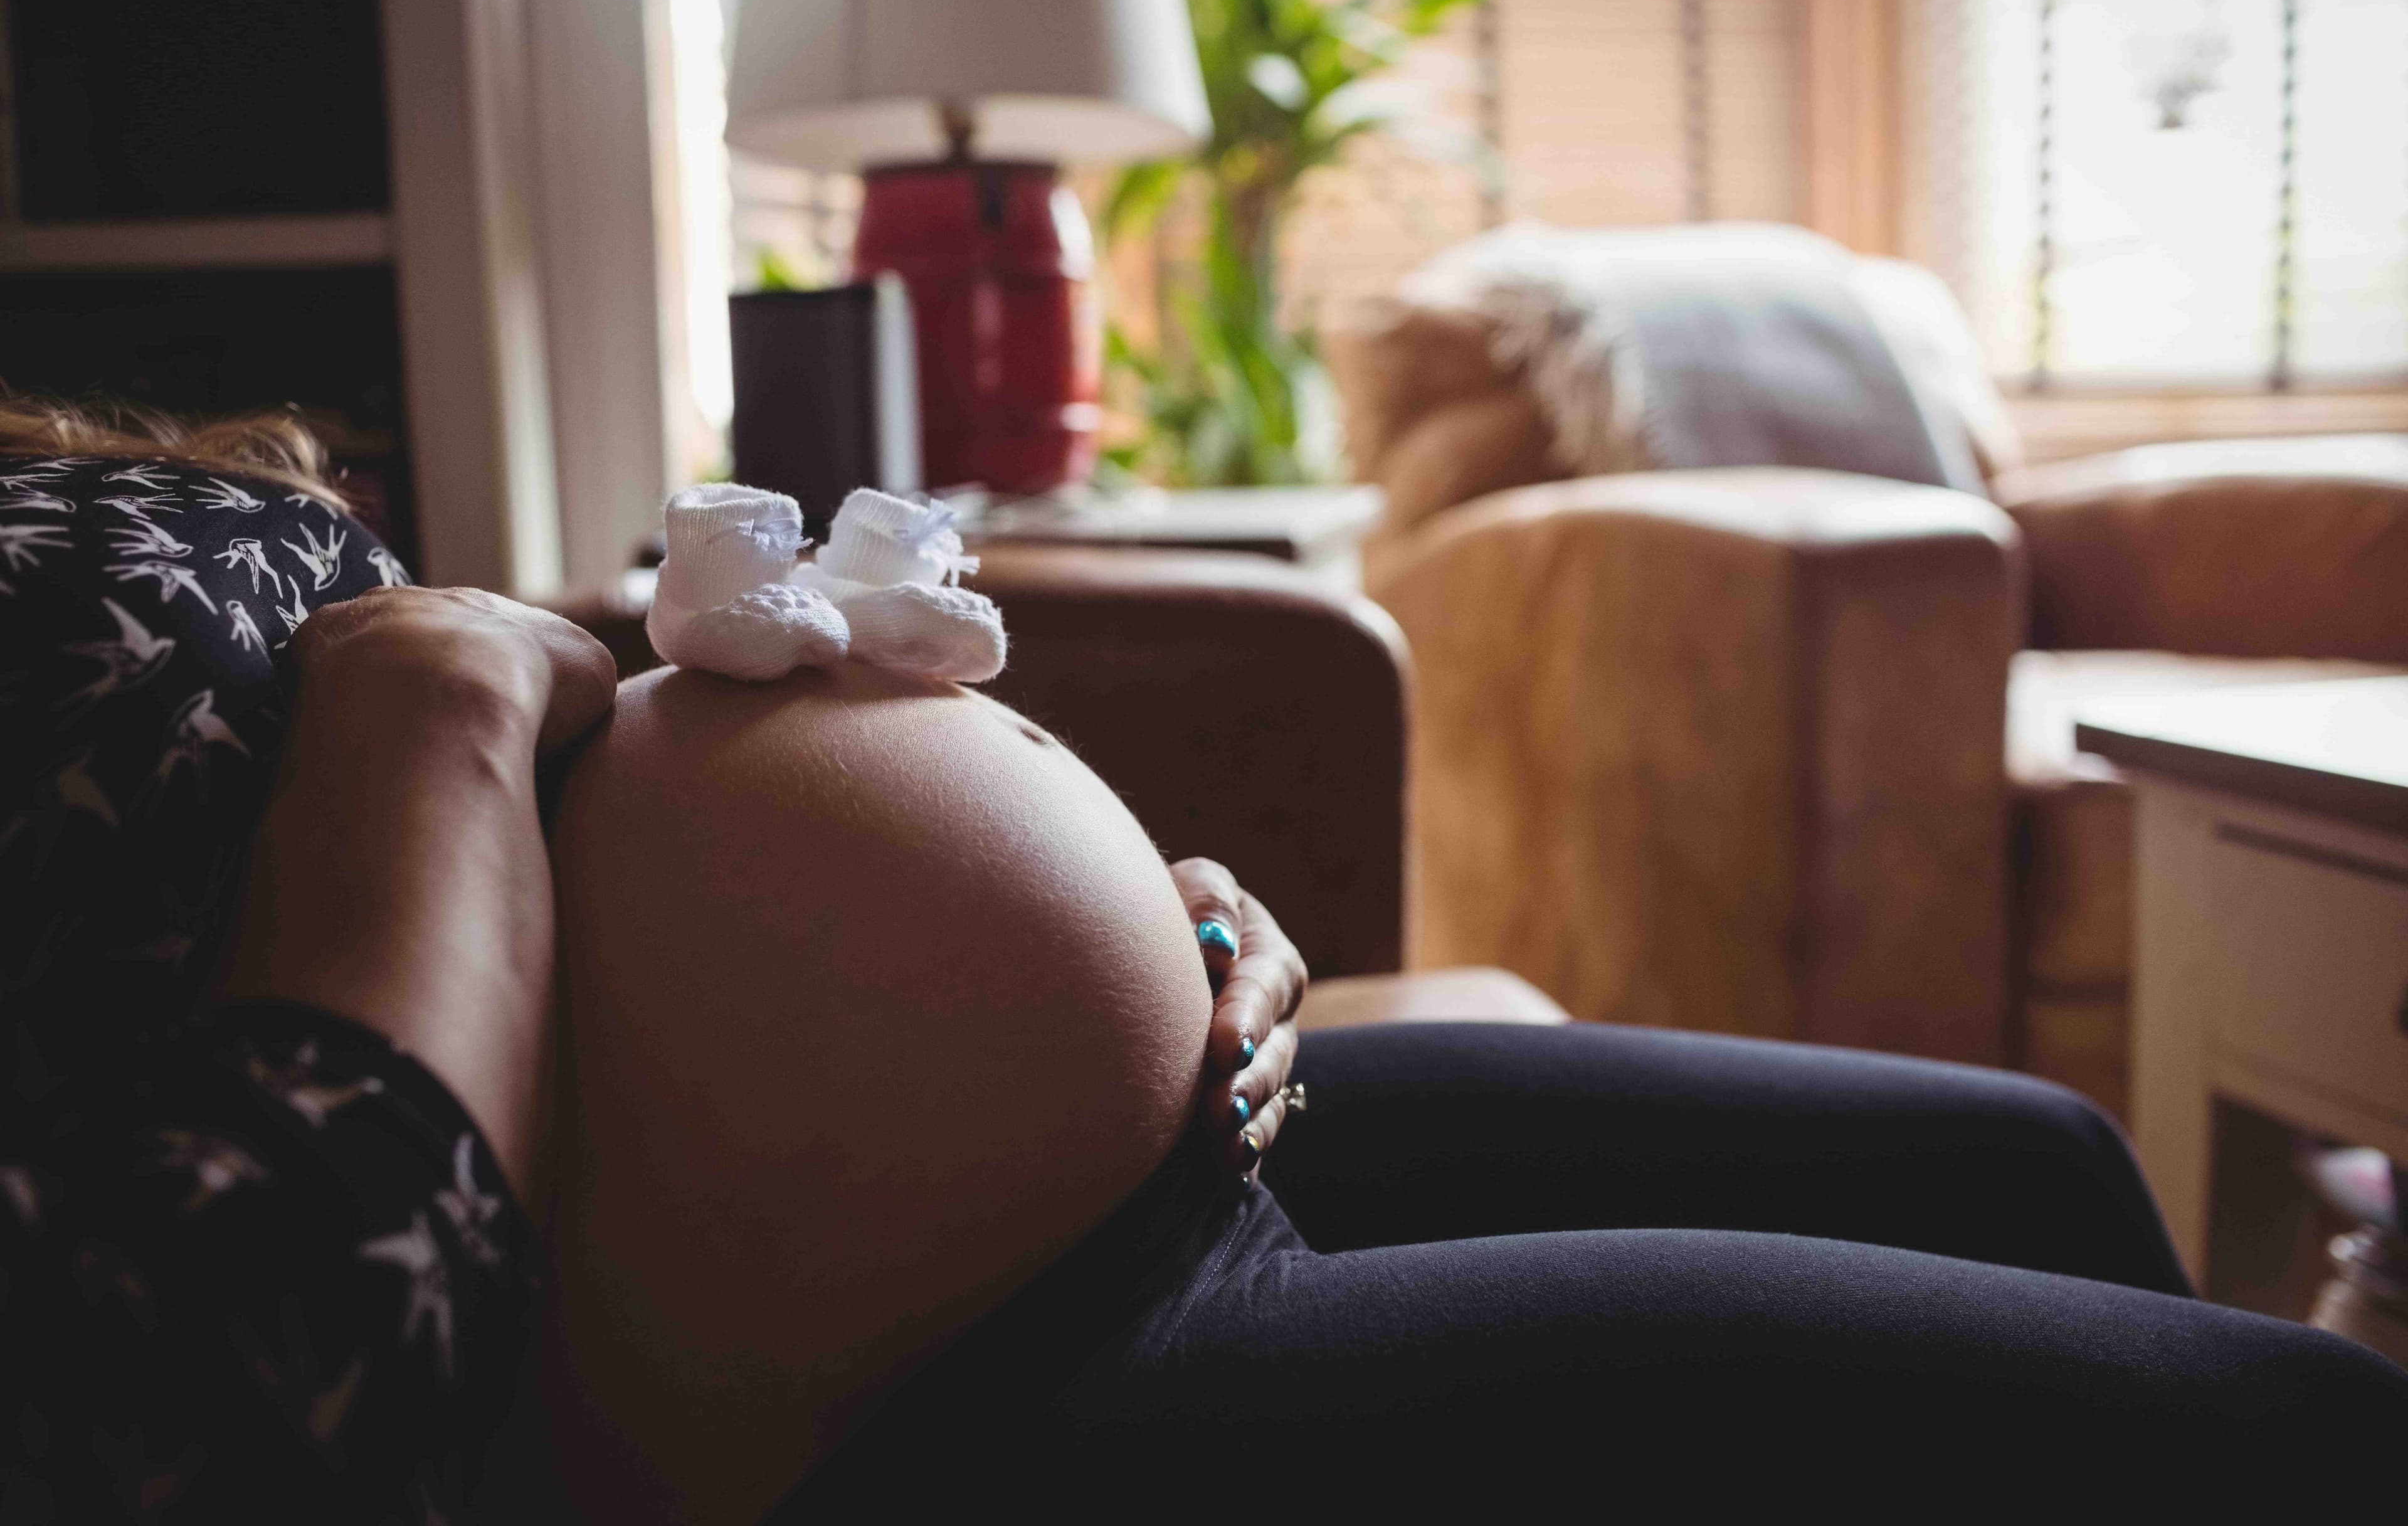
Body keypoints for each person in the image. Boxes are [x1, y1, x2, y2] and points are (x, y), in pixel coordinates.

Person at [4, 405, 2403, 1523]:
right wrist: (430, 724)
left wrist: (1132, 919)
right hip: (919, 1389)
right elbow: (225, 1380)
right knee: (2320, 1449)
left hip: (1164, 1156)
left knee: (2046, 1161)